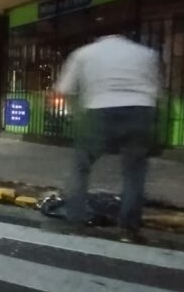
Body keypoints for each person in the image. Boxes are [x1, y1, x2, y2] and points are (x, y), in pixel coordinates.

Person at [55, 34, 160, 243]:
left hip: (99, 110)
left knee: (80, 166)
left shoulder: (84, 53)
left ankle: (76, 222)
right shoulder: (146, 53)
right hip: (140, 110)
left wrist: (76, 114)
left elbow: (63, 89)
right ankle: (128, 229)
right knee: (134, 172)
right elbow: (156, 90)